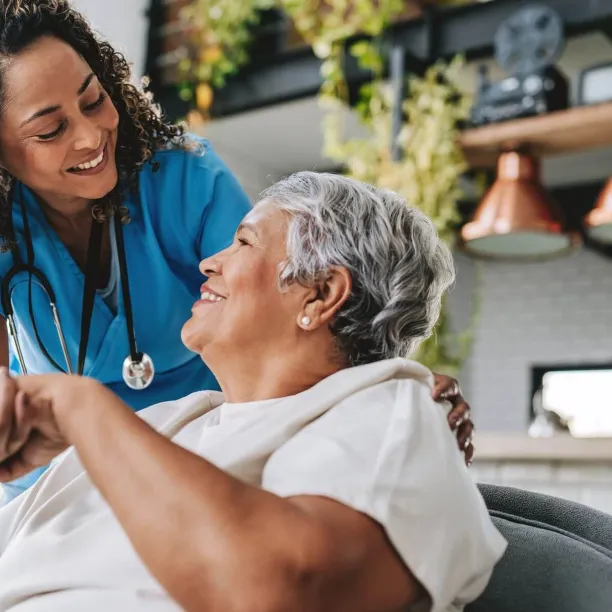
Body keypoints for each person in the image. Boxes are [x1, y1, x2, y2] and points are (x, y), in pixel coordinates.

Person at [0, 0, 474, 502]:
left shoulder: (185, 180)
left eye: (93, 100)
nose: (92, 135)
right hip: (48, 484)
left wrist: (391, 389)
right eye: (50, 130)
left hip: (195, 460)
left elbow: (287, 305)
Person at [0, 172, 506, 612]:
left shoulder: (393, 415)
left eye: (243, 242)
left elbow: (279, 591)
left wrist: (79, 406)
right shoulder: (167, 425)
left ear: (321, 293)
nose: (208, 263)